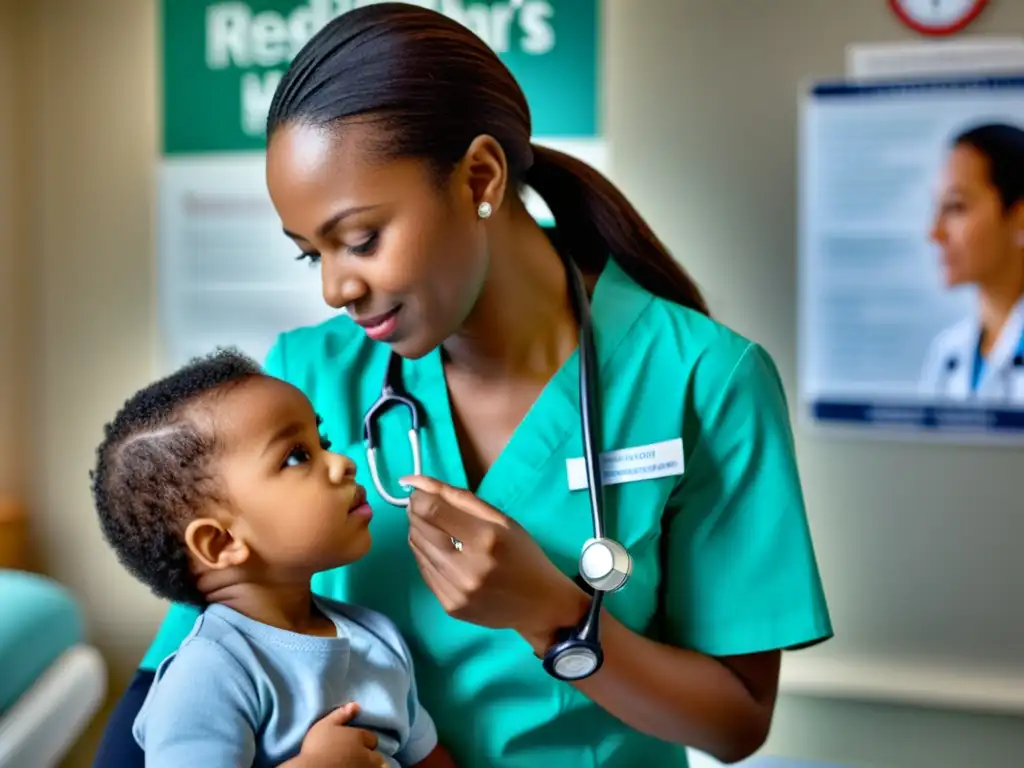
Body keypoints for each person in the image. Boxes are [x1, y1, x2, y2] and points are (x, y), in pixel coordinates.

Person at [93, 3, 833, 766]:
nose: (336, 290)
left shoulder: (703, 380)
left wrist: (553, 614)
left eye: (361, 239)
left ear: (479, 177)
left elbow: (737, 724)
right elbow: (176, 679)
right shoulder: (299, 385)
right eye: (311, 255)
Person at [89, 349, 454, 767]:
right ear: (220, 542)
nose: (343, 464)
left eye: (323, 443)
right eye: (297, 456)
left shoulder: (376, 639)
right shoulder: (207, 675)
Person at [919, 123, 1024, 403]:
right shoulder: (947, 353)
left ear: (1020, 216)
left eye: (956, 207)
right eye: (937, 208)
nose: (934, 232)